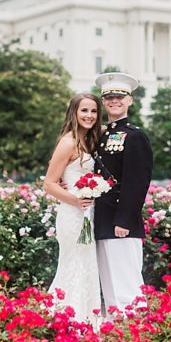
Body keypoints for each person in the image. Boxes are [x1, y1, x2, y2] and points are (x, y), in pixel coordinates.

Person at [92, 72, 153, 317]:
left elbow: (137, 182)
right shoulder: (102, 135)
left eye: (120, 96)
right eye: (109, 97)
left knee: (126, 279)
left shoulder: (135, 136)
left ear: (130, 100)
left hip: (121, 221)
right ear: (103, 101)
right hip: (102, 217)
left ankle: (135, 328)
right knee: (108, 279)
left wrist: (124, 220)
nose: (114, 100)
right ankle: (117, 328)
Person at [42, 93, 103, 325]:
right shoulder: (69, 142)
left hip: (88, 214)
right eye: (84, 110)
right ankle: (67, 319)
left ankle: (87, 318)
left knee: (87, 265)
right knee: (73, 264)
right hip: (72, 214)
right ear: (74, 113)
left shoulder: (90, 139)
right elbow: (48, 183)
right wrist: (75, 200)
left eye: (94, 111)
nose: (89, 115)